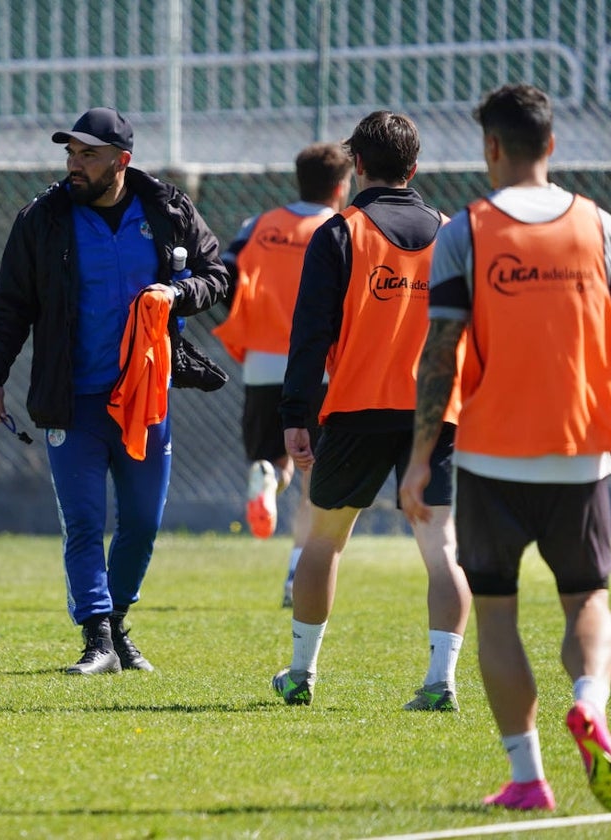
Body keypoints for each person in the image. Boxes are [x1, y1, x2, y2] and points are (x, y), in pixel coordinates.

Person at [400, 83, 611, 812]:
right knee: (586, 596)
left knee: (497, 614)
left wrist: (423, 453)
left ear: (491, 147)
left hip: (490, 453)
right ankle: (591, 702)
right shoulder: (601, 227)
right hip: (583, 450)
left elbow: (441, 351)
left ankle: (528, 776)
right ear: (552, 145)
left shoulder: (467, 229)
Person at [0, 107, 229, 675]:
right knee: (85, 520)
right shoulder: (41, 219)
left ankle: (116, 628)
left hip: (146, 395)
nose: (75, 164)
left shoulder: (166, 209)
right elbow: (11, 305)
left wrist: (176, 295)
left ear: (122, 160)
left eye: (88, 154)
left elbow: (218, 274)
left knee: (141, 521)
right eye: (71, 153)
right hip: (73, 399)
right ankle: (98, 637)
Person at [272, 110, 471, 711]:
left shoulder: (339, 232)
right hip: (435, 417)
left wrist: (294, 414)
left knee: (323, 543)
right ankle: (441, 681)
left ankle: (302, 674)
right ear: (414, 167)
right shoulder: (450, 230)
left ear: (357, 164)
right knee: (442, 548)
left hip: (356, 410)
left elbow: (310, 335)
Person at [211, 142, 353, 607]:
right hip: (323, 368)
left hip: (264, 363)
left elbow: (223, 278)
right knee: (316, 480)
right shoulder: (340, 228)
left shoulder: (260, 225)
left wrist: (250, 322)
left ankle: (268, 477)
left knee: (276, 456)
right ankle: (296, 578)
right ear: (340, 186)